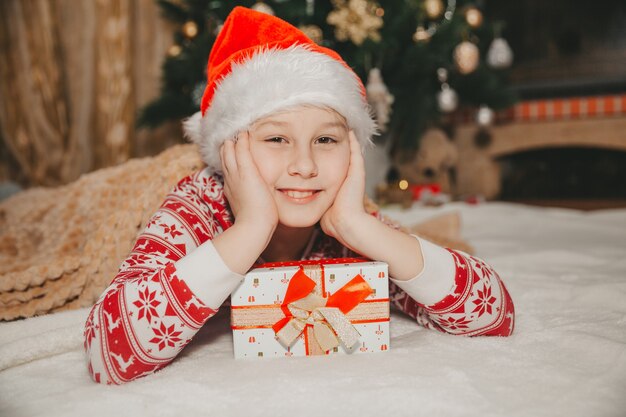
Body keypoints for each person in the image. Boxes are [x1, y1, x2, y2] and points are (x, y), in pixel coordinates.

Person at [83, 6, 515, 385]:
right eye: (276, 139)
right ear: (229, 151)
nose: (305, 167)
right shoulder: (199, 204)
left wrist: (358, 226)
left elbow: (495, 315)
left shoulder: (344, 220)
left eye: (326, 141)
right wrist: (250, 229)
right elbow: (108, 351)